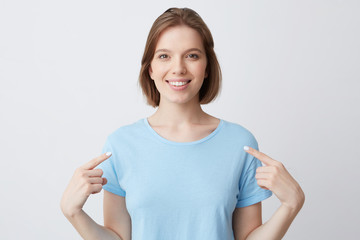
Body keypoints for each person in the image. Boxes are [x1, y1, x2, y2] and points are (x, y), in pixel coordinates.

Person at [60, 7, 305, 240]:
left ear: (207, 67)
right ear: (150, 69)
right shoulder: (121, 144)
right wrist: (74, 213)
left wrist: (291, 205)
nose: (178, 68)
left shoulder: (240, 144)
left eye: (192, 55)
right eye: (164, 56)